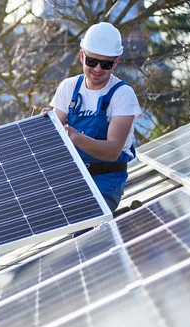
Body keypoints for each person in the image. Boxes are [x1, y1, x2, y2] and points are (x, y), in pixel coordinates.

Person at [43, 22, 142, 212]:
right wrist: (44, 125)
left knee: (86, 227)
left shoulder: (122, 94)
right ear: (82, 56)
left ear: (115, 62)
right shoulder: (68, 87)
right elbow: (54, 136)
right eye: (92, 61)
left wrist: (79, 139)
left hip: (105, 183)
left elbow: (113, 151)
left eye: (105, 64)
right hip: (72, 179)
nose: (97, 69)